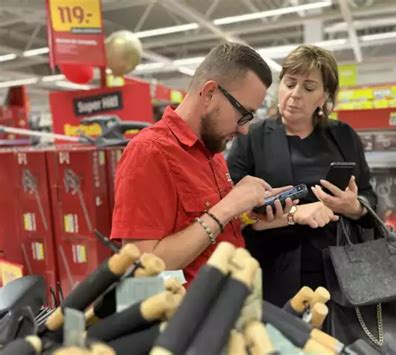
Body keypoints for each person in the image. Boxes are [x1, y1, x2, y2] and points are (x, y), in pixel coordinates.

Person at [110, 42, 292, 283]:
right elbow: (142, 266)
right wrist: (228, 206)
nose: (246, 129)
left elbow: (204, 233)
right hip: (187, 316)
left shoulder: (212, 150)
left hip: (228, 304)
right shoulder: (148, 152)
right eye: (243, 114)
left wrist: (247, 214)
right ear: (209, 94)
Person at [226, 45, 377, 307]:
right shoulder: (252, 137)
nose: (295, 95)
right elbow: (230, 210)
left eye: (308, 88)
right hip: (269, 272)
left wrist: (353, 207)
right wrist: (296, 216)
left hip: (340, 277)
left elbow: (369, 197)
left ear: (324, 96)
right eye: (289, 83)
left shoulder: (343, 136)